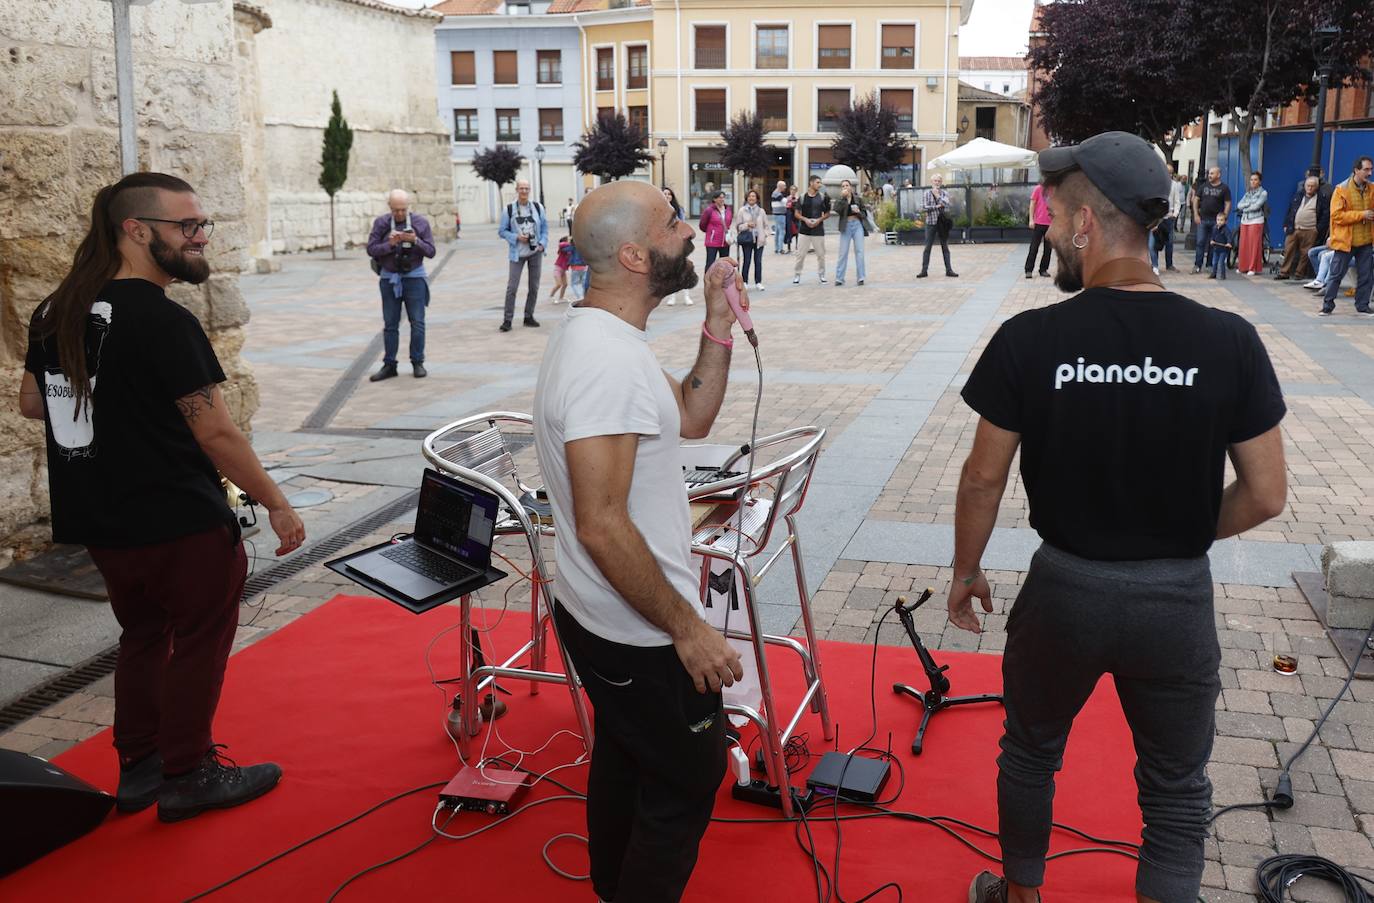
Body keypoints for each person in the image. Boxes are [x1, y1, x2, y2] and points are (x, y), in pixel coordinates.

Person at [954, 131, 1287, 903]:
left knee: (1031, 751)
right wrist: (1174, 528)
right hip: (1176, 600)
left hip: (1064, 589)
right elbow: (1267, 493)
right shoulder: (1228, 340)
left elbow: (981, 479)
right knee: (1176, 786)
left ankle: (1022, 893)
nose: (1045, 229)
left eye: (1052, 215)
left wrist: (967, 572)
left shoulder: (1032, 338)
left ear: (1084, 226)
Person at [18, 172, 308, 822]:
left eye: (202, 224)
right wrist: (277, 502)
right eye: (188, 226)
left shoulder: (55, 309)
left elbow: (34, 403)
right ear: (137, 230)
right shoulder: (163, 320)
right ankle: (188, 772)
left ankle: (142, 768)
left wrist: (111, 402)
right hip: (179, 520)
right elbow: (215, 429)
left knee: (143, 635)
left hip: (102, 520)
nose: (201, 236)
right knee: (198, 641)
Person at [532, 179, 746, 903]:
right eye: (672, 223)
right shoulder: (607, 361)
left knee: (628, 754)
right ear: (633, 254)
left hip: (611, 618)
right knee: (688, 774)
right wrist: (689, 630)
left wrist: (717, 322)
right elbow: (600, 520)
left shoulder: (610, 337)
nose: (690, 232)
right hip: (639, 632)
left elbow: (691, 416)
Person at [366, 189, 436, 381]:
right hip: (389, 279)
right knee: (390, 324)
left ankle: (418, 362)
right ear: (389, 207)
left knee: (418, 322)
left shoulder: (420, 223)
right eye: (395, 210)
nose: (399, 214)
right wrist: (389, 244)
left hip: (414, 277)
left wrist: (415, 240)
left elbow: (431, 251)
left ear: (408, 207)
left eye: (403, 210)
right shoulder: (381, 224)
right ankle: (389, 365)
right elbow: (371, 250)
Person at [1319, 155, 1374, 317]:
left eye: (1371, 169)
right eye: (1366, 169)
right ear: (1356, 170)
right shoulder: (1341, 189)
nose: (1369, 173)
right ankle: (1327, 305)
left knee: (1366, 275)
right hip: (1346, 242)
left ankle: (1363, 305)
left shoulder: (1372, 189)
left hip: (1365, 241)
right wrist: (1361, 215)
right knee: (1336, 274)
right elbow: (1336, 216)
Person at [498, 179, 549, 332]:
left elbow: (545, 228)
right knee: (512, 288)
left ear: (530, 190)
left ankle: (528, 316)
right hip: (517, 254)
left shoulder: (538, 208)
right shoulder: (509, 209)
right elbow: (502, 231)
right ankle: (507, 320)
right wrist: (516, 237)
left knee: (534, 286)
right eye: (521, 188)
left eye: (526, 188)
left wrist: (542, 244)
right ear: (517, 190)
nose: (524, 191)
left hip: (535, 252)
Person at [1275, 176, 1328, 281]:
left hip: (1310, 229)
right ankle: (1284, 272)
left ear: (1316, 187)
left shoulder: (1321, 198)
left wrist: (1317, 229)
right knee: (1288, 250)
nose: (1310, 188)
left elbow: (1325, 215)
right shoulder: (1298, 196)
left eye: (1312, 186)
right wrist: (1286, 224)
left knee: (1305, 253)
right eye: (1308, 185)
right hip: (1294, 228)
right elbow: (1290, 210)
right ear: (1304, 186)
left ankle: (1300, 273)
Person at [1191, 166, 1231, 273]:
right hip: (1203, 219)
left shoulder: (1224, 188)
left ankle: (1210, 265)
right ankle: (1197, 265)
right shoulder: (1203, 186)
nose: (1209, 175)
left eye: (1212, 173)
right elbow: (1196, 200)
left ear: (1218, 175)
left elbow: (1227, 203)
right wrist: (1196, 214)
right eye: (1209, 173)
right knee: (1200, 242)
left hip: (1216, 221)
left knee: (1213, 243)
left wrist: (1225, 216)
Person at [792, 174, 831, 284]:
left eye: (820, 183)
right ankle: (797, 274)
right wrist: (805, 219)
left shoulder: (823, 197)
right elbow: (796, 213)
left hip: (818, 230)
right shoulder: (803, 197)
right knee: (800, 254)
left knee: (821, 255)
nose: (820, 185)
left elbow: (828, 213)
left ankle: (822, 274)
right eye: (818, 182)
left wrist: (819, 220)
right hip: (804, 230)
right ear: (811, 183)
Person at [919, 174, 958, 278]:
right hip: (930, 223)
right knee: (927, 247)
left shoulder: (944, 193)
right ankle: (924, 270)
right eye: (935, 181)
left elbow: (946, 204)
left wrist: (937, 196)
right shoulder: (927, 193)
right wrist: (937, 206)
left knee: (945, 246)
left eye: (939, 181)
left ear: (941, 182)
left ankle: (949, 270)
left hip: (942, 223)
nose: (937, 183)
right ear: (932, 182)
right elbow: (923, 208)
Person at [1148, 164, 1182, 274]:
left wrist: (1175, 214)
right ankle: (1155, 265)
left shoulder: (1175, 185)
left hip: (1168, 217)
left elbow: (1177, 201)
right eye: (1167, 172)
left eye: (1171, 173)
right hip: (1156, 218)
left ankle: (1169, 264)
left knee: (1169, 242)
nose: (1169, 175)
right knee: (1153, 243)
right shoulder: (1154, 184)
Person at [834, 178, 869, 286]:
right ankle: (839, 278)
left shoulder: (858, 199)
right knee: (843, 252)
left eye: (847, 185)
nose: (845, 187)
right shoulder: (841, 199)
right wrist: (843, 198)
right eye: (843, 186)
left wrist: (859, 212)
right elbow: (836, 209)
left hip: (857, 224)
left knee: (860, 251)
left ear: (851, 187)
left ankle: (861, 277)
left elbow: (864, 214)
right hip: (846, 226)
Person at [734, 188, 770, 292]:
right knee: (747, 260)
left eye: (753, 196)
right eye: (749, 196)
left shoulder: (761, 211)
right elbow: (738, 226)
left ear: (757, 199)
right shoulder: (742, 210)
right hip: (747, 239)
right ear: (747, 198)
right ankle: (744, 281)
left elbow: (766, 226)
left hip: (759, 240)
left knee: (758, 261)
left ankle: (758, 282)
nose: (751, 198)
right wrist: (747, 225)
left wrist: (764, 234)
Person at [663, 187, 693, 306]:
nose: (667, 196)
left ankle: (686, 296)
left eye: (669, 194)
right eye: (664, 194)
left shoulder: (678, 209)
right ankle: (672, 296)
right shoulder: (657, 210)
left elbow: (682, 225)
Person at [1235, 171, 1268, 275]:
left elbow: (1257, 206)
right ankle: (1242, 266)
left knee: (1254, 244)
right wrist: (1248, 204)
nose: (1253, 182)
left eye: (1255, 180)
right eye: (1251, 180)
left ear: (1260, 181)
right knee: (1243, 244)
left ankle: (1252, 267)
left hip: (1256, 220)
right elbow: (1239, 205)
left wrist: (1245, 207)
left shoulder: (1263, 193)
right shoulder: (1248, 193)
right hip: (1245, 220)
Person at [698, 190, 733, 274]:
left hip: (725, 241)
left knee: (725, 264)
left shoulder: (728, 209)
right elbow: (702, 225)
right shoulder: (709, 210)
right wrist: (711, 232)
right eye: (719, 197)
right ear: (714, 199)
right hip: (712, 241)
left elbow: (729, 222)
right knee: (710, 263)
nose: (722, 199)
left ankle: (723, 283)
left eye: (723, 197)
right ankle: (708, 283)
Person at [1024, 180, 1052, 278]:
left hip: (1050, 224)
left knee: (1048, 249)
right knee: (1034, 247)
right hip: (1038, 223)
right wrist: (1031, 219)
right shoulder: (1038, 189)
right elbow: (1032, 204)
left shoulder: (1054, 190)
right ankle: (1028, 270)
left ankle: (1043, 269)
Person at [1208, 213, 1233, 280]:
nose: (1219, 222)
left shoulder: (1226, 230)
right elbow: (1212, 236)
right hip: (1216, 248)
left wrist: (1228, 243)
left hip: (1223, 249)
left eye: (1221, 220)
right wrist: (1212, 240)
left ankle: (1222, 275)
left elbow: (1229, 237)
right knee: (1214, 262)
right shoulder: (1214, 228)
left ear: (1225, 221)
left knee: (1221, 263)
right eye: (1218, 220)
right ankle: (1213, 274)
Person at [550, 235, 572, 304]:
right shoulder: (562, 248)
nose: (569, 240)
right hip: (558, 269)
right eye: (568, 239)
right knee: (559, 284)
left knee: (565, 284)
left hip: (563, 270)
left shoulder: (569, 250)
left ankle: (561, 298)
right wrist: (570, 242)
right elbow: (561, 244)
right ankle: (551, 296)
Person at [771, 179, 790, 254]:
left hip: (777, 214)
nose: (785, 187)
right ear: (780, 186)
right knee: (782, 231)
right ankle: (780, 249)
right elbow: (784, 201)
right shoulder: (777, 194)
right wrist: (789, 198)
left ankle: (777, 248)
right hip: (780, 214)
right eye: (784, 186)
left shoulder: (775, 193)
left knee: (778, 232)